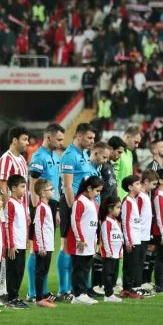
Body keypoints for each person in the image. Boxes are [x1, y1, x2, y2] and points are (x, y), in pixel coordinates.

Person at [27, 122, 65, 301]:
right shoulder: (39, 156)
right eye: (58, 139)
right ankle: (33, 291)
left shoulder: (56, 156)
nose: (60, 142)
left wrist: (56, 208)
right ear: (48, 137)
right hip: (40, 205)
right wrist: (36, 208)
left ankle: (41, 290)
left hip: (52, 204)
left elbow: (55, 185)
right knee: (37, 249)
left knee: (47, 247)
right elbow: (33, 182)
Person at [60, 123, 97, 301]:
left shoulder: (83, 154)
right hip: (73, 205)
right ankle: (67, 289)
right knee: (69, 247)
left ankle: (78, 289)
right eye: (89, 138)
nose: (92, 141)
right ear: (79, 136)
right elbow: (67, 186)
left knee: (82, 247)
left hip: (83, 205)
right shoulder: (69, 156)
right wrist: (74, 207)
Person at [0, 126, 30, 302]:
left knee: (19, 252)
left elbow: (25, 188)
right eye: (24, 139)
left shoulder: (22, 160)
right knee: (9, 252)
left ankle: (10, 292)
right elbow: (3, 186)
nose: (27, 143)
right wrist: (9, 207)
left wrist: (25, 211)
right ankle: (3, 291)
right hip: (9, 212)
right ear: (14, 140)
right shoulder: (6, 160)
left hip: (21, 212)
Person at [67, 175, 103, 305]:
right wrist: (79, 239)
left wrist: (95, 241)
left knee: (86, 268)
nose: (98, 194)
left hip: (89, 242)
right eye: (97, 191)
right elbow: (75, 221)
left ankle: (83, 292)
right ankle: (77, 295)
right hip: (80, 243)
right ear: (89, 188)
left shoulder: (93, 202)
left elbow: (94, 224)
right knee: (79, 269)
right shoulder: (80, 202)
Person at [3, 174, 30, 309]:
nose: (25, 190)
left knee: (19, 271)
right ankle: (11, 299)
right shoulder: (11, 204)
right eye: (22, 187)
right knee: (13, 272)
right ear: (13, 188)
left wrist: (25, 241)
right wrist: (11, 245)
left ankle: (15, 296)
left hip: (21, 243)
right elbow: (8, 224)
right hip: (14, 245)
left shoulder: (20, 204)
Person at [31, 179, 57, 309]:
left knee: (44, 271)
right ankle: (39, 298)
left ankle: (42, 296)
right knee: (40, 271)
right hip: (43, 245)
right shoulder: (41, 207)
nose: (53, 191)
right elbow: (38, 227)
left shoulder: (47, 206)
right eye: (50, 189)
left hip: (48, 244)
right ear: (42, 193)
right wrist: (41, 245)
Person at [119, 174, 143, 298]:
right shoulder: (127, 201)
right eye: (137, 184)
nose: (140, 186)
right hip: (131, 238)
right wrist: (128, 240)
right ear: (130, 187)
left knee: (134, 264)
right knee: (129, 265)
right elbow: (126, 221)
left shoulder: (134, 200)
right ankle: (127, 289)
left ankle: (132, 288)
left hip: (136, 237)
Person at [97, 196, 124, 302]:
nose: (119, 210)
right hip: (110, 254)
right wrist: (108, 251)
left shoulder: (116, 221)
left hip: (116, 253)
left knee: (114, 274)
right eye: (117, 208)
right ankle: (108, 294)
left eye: (120, 208)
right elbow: (105, 238)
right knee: (108, 274)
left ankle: (111, 293)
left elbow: (120, 237)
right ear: (110, 208)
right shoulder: (106, 222)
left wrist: (121, 251)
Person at [138, 169, 157, 294]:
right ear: (146, 181)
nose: (154, 187)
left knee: (141, 261)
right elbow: (137, 215)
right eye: (153, 184)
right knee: (137, 261)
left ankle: (138, 285)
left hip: (144, 234)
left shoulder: (146, 195)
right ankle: (135, 286)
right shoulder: (140, 196)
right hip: (138, 235)